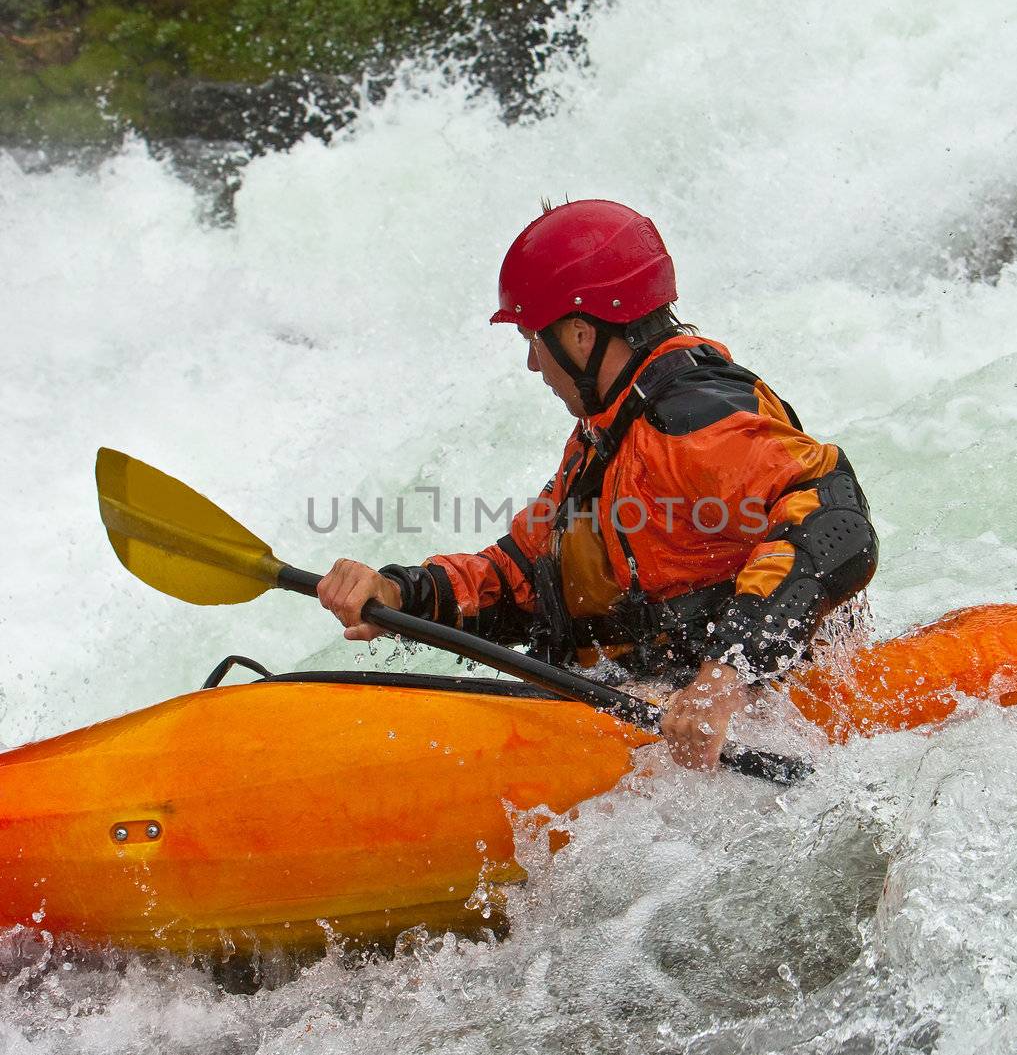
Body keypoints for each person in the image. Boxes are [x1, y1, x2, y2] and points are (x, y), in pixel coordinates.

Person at [318, 199, 878, 770]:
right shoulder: (604, 434)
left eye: (535, 340)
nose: (535, 365)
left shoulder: (696, 422)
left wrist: (723, 679)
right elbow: (520, 580)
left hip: (757, 713)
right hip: (647, 704)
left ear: (581, 335)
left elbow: (837, 526)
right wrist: (396, 593)